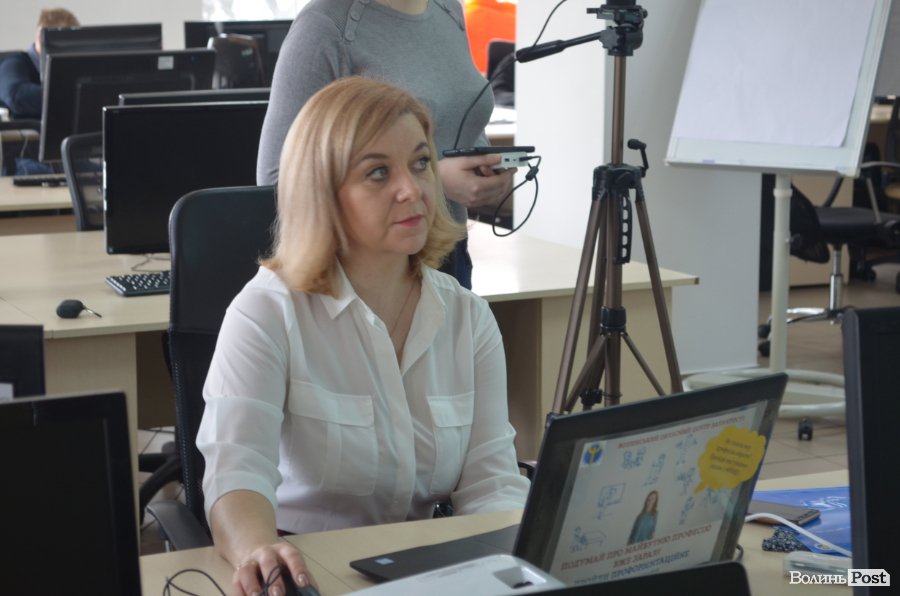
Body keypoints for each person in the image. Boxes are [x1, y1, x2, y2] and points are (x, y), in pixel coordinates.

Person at [199, 76, 531, 596]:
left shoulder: (467, 317)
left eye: (420, 163)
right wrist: (257, 549)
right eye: (378, 172)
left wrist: (516, 562)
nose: (412, 189)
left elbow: (491, 481)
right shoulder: (266, 312)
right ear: (323, 194)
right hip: (308, 572)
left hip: (424, 570)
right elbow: (235, 476)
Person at [256, 0, 515, 290]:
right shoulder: (325, 26)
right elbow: (276, 180)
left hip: (447, 249)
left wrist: (482, 166)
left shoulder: (448, 9)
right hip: (367, 270)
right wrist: (436, 179)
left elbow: (459, 119)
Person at [0, 8, 79, 175]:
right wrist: (67, 95)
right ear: (39, 37)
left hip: (62, 155)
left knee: (105, 175)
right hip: (21, 156)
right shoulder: (16, 63)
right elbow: (15, 96)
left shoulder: (67, 73)